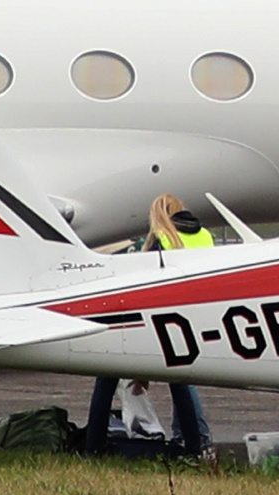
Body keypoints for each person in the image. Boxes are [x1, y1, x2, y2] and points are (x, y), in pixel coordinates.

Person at [85, 194, 214, 457]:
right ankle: (196, 443)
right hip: (197, 316)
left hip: (163, 318)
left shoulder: (158, 240)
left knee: (106, 373)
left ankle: (93, 446)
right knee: (185, 381)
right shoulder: (206, 236)